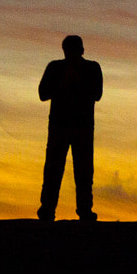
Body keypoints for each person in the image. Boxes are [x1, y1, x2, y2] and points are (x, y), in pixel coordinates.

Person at [37, 34, 103, 222]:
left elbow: (97, 94)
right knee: (53, 169)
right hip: (60, 126)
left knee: (83, 170)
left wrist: (77, 82)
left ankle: (83, 210)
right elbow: (43, 93)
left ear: (81, 51)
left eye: (73, 50)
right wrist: (62, 84)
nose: (71, 54)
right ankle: (48, 209)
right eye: (68, 50)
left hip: (81, 127)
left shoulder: (92, 68)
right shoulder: (55, 67)